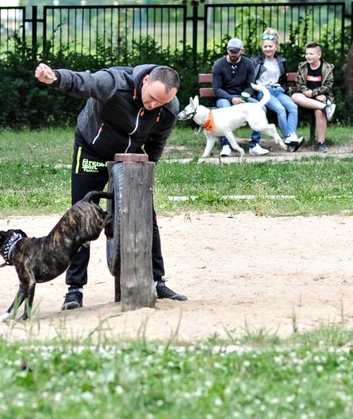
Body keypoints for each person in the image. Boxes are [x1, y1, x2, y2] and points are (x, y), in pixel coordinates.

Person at [34, 62, 188, 310]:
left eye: (160, 103)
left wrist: (147, 171)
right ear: (145, 81)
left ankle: (156, 280)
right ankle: (75, 289)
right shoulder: (115, 83)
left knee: (145, 213)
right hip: (92, 148)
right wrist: (54, 78)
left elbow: (158, 141)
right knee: (82, 212)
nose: (153, 106)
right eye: (151, 100)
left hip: (131, 156)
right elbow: (83, 81)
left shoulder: (169, 107)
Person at [247, 28, 304, 152]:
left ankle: (292, 135)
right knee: (281, 109)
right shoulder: (256, 61)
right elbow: (251, 79)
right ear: (262, 47)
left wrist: (282, 88)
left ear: (276, 47)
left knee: (293, 107)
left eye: (271, 46)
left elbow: (283, 80)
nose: (268, 49)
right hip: (264, 92)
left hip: (277, 91)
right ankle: (288, 137)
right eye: (265, 46)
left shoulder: (281, 61)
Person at [210, 37, 269, 157]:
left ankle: (255, 145)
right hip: (225, 97)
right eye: (231, 51)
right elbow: (217, 89)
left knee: (261, 109)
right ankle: (226, 145)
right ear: (227, 50)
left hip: (242, 97)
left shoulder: (248, 64)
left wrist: (244, 98)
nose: (233, 54)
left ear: (242, 51)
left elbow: (250, 86)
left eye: (236, 51)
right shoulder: (219, 65)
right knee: (225, 109)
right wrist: (232, 99)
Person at [291, 42, 336, 153]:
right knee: (295, 96)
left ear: (319, 55)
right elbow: (299, 84)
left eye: (311, 54)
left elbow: (328, 86)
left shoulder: (327, 68)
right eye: (306, 54)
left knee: (319, 111)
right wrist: (307, 92)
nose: (308, 56)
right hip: (306, 98)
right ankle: (326, 107)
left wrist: (314, 93)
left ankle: (321, 143)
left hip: (320, 97)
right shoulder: (302, 67)